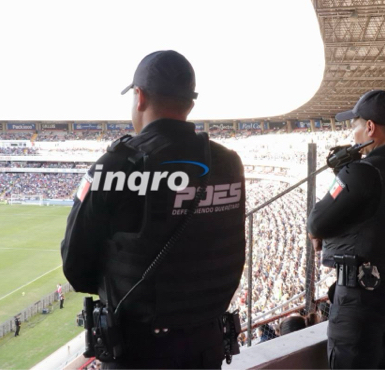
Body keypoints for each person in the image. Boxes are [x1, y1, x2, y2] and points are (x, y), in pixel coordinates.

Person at [61, 50, 246, 369]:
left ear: (140, 96)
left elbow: (75, 266)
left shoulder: (117, 166)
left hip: (138, 352)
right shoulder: (228, 162)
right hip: (208, 347)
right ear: (190, 103)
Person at [307, 90, 385, 369]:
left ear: (369, 127)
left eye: (354, 125)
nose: (353, 133)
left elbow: (316, 223)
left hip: (363, 299)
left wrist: (345, 174)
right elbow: (383, 216)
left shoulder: (363, 171)